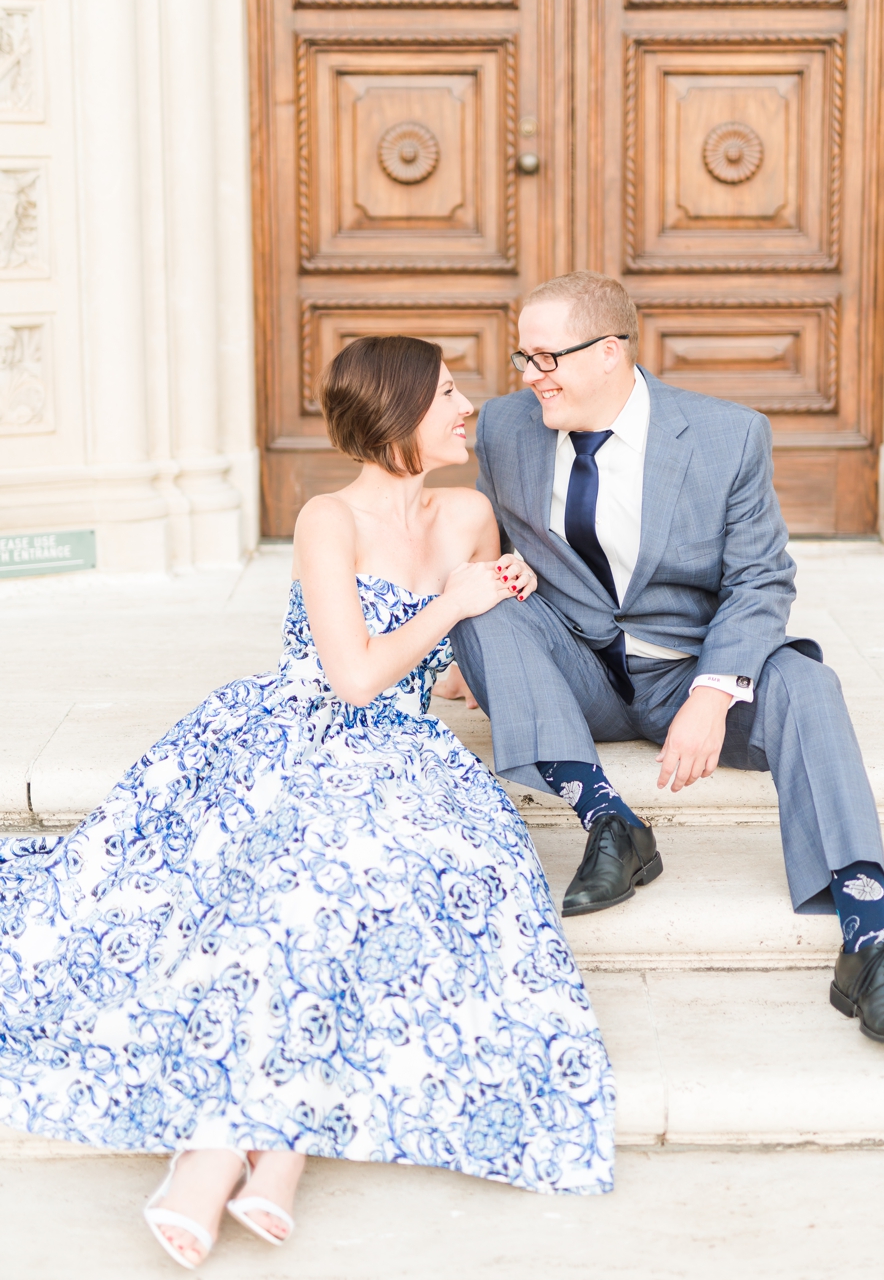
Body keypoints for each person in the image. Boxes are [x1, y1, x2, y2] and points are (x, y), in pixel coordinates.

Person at [0, 335, 616, 1270]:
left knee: (383, 882)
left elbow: (448, 683)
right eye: (448, 392)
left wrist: (506, 604)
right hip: (296, 737)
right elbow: (356, 676)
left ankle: (266, 1140)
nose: (468, 407)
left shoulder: (469, 514)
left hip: (409, 759)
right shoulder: (327, 519)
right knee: (300, 878)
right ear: (400, 411)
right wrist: (453, 603)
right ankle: (233, 1149)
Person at [442, 270, 884, 1046]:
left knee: (807, 680)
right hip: (576, 676)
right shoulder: (509, 428)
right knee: (477, 601)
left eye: (547, 359)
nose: (531, 377)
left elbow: (761, 578)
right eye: (524, 359)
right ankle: (610, 820)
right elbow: (489, 540)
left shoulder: (725, 435)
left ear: (610, 352)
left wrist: (712, 692)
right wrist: (498, 612)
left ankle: (869, 943)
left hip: (684, 671)